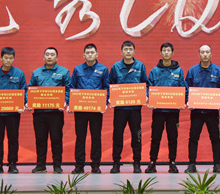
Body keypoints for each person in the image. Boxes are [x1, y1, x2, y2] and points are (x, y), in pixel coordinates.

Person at [27, 47, 71, 174]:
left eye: (52, 54)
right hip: (39, 113)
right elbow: (30, 89)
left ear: (57, 57)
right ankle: (41, 165)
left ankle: (57, 165)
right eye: (47, 54)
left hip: (55, 113)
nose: (49, 57)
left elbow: (68, 89)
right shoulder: (36, 72)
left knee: (56, 139)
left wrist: (65, 101)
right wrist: (29, 102)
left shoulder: (64, 72)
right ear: (43, 57)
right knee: (40, 140)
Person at [145, 42, 185, 174]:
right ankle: (152, 162)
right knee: (155, 138)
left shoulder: (179, 71)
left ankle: (172, 162)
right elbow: (149, 87)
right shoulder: (154, 71)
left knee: (173, 138)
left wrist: (183, 101)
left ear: (172, 53)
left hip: (173, 111)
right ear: (161, 53)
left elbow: (182, 88)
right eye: (164, 50)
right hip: (158, 111)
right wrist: (149, 99)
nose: (166, 53)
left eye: (168, 50)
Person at [185, 44, 220, 174]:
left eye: (207, 52)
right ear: (199, 54)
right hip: (196, 111)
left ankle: (217, 165)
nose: (205, 54)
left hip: (212, 112)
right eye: (202, 52)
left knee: (215, 138)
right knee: (193, 138)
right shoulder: (192, 71)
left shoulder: (218, 71)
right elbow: (187, 89)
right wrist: (188, 101)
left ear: (211, 54)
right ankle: (191, 164)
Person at [0, 47, 27, 174]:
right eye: (6, 58)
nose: (8, 60)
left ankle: (12, 164)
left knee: (13, 139)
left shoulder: (19, 73)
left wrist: (23, 103)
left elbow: (24, 91)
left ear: (14, 59)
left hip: (13, 114)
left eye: (10, 58)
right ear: (1, 58)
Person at [109, 40, 147, 174]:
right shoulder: (116, 67)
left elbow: (145, 84)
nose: (128, 51)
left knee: (136, 137)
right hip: (120, 109)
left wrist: (146, 95)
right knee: (117, 136)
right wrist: (110, 96)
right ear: (121, 51)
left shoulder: (140, 66)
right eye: (126, 49)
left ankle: (137, 163)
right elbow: (111, 84)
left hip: (135, 109)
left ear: (134, 51)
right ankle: (116, 163)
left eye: (130, 49)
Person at [71, 43, 109, 174]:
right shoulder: (77, 69)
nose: (90, 55)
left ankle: (95, 165)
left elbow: (106, 87)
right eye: (87, 53)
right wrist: (71, 103)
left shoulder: (103, 69)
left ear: (97, 54)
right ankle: (79, 165)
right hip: (80, 110)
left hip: (96, 110)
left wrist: (105, 102)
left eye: (92, 52)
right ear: (83, 55)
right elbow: (72, 87)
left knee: (96, 137)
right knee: (80, 138)